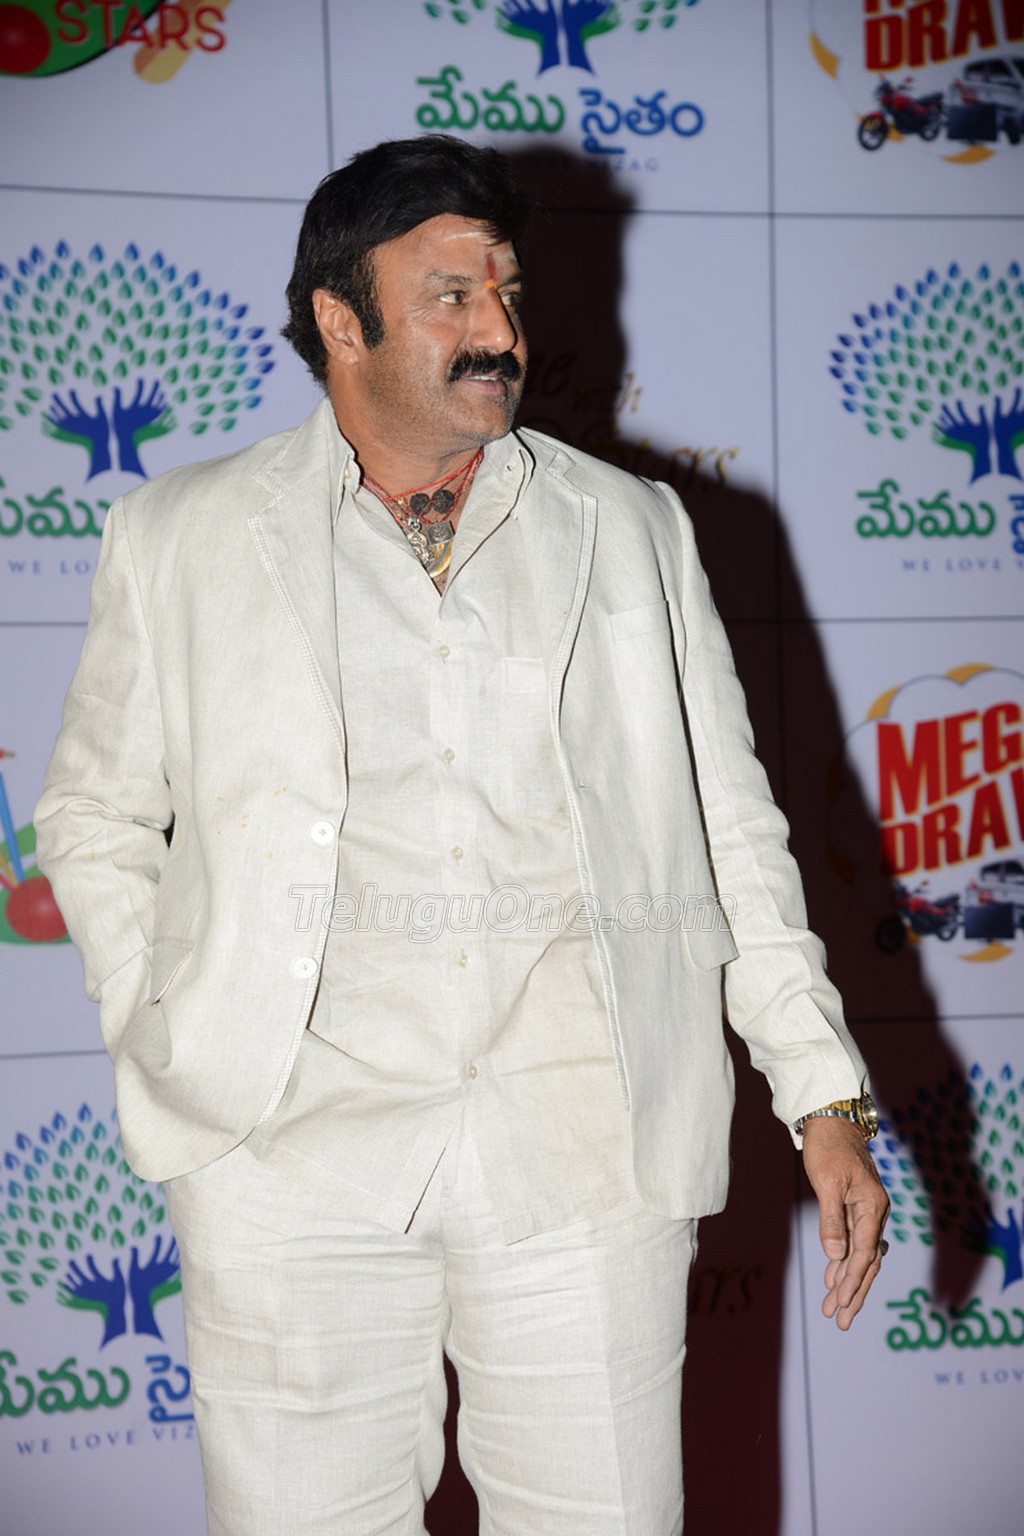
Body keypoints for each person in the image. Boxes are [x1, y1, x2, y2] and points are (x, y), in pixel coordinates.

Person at [36, 135, 889, 1536]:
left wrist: (824, 1096)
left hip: (586, 1153)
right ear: (341, 319)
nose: (499, 329)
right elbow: (93, 809)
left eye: (506, 292)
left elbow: (732, 836)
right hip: (285, 1157)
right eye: (450, 296)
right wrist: (161, 1016)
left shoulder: (633, 528)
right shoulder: (178, 533)